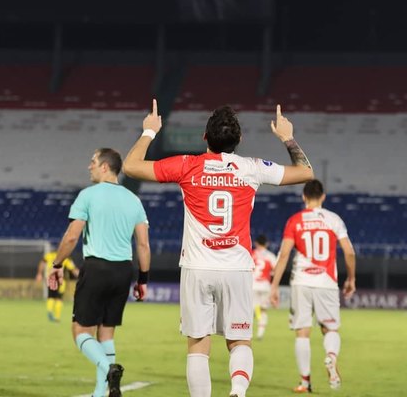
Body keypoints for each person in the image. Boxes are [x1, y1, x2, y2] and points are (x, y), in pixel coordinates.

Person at [124, 99, 314, 397]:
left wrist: (149, 132)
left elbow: (130, 166)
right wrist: (287, 137)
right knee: (239, 342)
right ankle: (237, 391)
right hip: (236, 267)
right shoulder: (251, 168)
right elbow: (305, 173)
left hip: (197, 268)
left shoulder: (186, 165)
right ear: (239, 140)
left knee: (198, 345)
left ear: (204, 138)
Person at [47, 148, 151, 397]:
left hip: (96, 268)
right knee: (106, 332)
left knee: (81, 332)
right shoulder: (133, 200)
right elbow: (143, 244)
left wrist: (58, 264)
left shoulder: (88, 196)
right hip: (123, 271)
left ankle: (108, 369)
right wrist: (143, 279)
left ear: (105, 167)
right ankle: (99, 392)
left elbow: (72, 236)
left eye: (93, 162)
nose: (89, 166)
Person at [270, 180, 356, 393]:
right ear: (323, 197)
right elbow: (349, 252)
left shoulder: (295, 221)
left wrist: (274, 286)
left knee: (302, 332)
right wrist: (351, 279)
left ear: (303, 197)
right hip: (326, 282)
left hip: (301, 282)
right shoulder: (333, 219)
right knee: (330, 328)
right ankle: (331, 357)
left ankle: (305, 382)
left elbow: (283, 256)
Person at [35, 250, 79, 322]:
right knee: (59, 298)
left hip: (50, 278)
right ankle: (57, 317)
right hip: (61, 280)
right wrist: (81, 277)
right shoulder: (66, 258)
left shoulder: (49, 255)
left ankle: (49, 312)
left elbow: (42, 262)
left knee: (51, 296)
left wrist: (39, 273)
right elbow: (73, 269)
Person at [251, 234, 277, 340]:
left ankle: (249, 333)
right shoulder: (270, 256)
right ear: (266, 244)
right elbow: (275, 271)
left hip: (253, 285)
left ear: (256, 243)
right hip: (265, 286)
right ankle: (260, 333)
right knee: (263, 310)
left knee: (252, 309)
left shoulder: (252, 254)